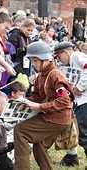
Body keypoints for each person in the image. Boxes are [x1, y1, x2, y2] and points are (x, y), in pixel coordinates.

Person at [13, 41, 74, 170]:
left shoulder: (54, 74)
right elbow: (37, 97)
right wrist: (21, 101)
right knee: (39, 144)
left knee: (20, 130)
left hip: (57, 118)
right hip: (54, 116)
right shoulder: (41, 75)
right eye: (32, 61)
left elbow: (65, 101)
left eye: (35, 61)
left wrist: (40, 107)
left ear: (45, 59)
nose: (33, 64)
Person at [54, 41, 87, 166]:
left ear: (65, 52)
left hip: (85, 99)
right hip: (80, 100)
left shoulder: (76, 56)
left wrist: (79, 87)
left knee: (84, 135)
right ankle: (71, 158)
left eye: (59, 56)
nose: (59, 60)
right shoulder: (71, 61)